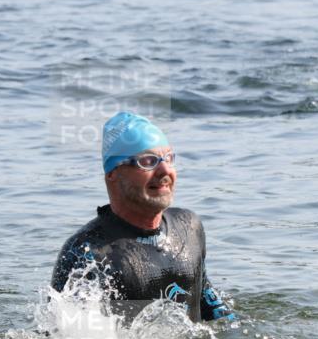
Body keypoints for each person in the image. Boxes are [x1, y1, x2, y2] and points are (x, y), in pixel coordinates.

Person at [51, 111, 234, 323]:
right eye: (148, 161)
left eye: (169, 158)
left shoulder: (188, 227)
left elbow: (212, 307)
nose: (165, 170)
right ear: (113, 173)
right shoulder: (88, 253)